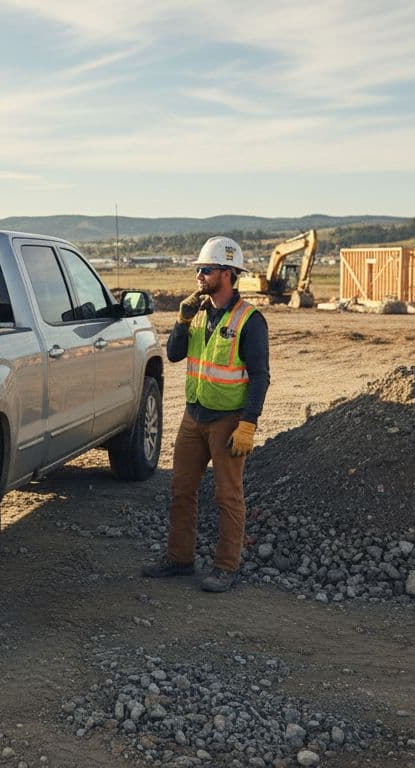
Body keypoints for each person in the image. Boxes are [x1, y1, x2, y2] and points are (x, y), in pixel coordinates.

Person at [141, 236, 270, 592]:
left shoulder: (250, 321)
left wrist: (248, 423)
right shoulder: (196, 313)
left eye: (206, 269)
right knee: (182, 488)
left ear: (227, 274)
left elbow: (260, 376)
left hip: (228, 420)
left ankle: (226, 567)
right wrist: (181, 322)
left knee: (228, 496)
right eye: (198, 269)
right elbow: (174, 355)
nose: (199, 275)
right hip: (193, 416)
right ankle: (180, 559)